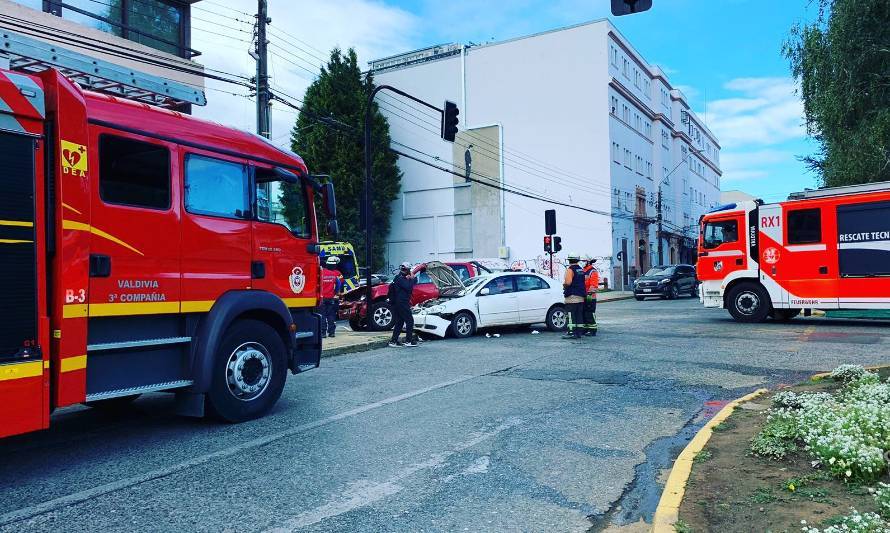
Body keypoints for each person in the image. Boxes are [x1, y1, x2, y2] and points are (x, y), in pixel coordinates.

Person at [389, 262, 419, 347]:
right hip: (402, 303)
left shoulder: (398, 277)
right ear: (408, 270)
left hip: (399, 303)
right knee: (410, 321)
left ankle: (393, 341)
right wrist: (412, 279)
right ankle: (408, 341)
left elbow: (410, 284)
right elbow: (409, 287)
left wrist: (410, 279)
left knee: (399, 322)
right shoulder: (400, 279)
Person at [562, 253, 586, 339]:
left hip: (572, 296)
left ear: (569, 260)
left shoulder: (570, 270)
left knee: (571, 314)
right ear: (577, 260)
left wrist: (564, 285)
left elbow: (568, 282)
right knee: (579, 315)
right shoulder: (581, 270)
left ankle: (571, 332)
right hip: (581, 296)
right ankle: (579, 332)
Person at [320, 256, 344, 338]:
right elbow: (339, 285)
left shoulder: (321, 273)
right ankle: (331, 332)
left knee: (322, 315)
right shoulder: (334, 274)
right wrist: (335, 292)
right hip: (331, 298)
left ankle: (323, 333)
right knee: (331, 315)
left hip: (322, 298)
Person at [581, 254, 599, 336]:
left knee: (590, 314)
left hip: (590, 297)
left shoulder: (593, 271)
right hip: (583, 296)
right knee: (584, 313)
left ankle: (592, 330)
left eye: (584, 261)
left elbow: (593, 285)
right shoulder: (583, 271)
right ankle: (586, 329)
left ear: (588, 262)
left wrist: (589, 294)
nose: (582, 262)